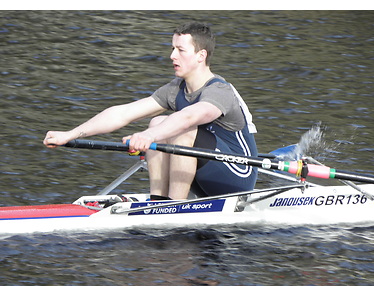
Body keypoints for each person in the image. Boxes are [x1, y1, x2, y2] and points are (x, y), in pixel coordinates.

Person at [43, 22, 258, 200]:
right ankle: (159, 202)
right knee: (157, 123)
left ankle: (174, 207)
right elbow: (121, 113)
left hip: (237, 175)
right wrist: (71, 134)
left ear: (201, 56)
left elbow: (190, 117)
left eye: (180, 50)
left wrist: (147, 137)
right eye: (172, 48)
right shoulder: (175, 90)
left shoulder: (219, 91)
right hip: (204, 175)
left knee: (177, 129)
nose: (172, 56)